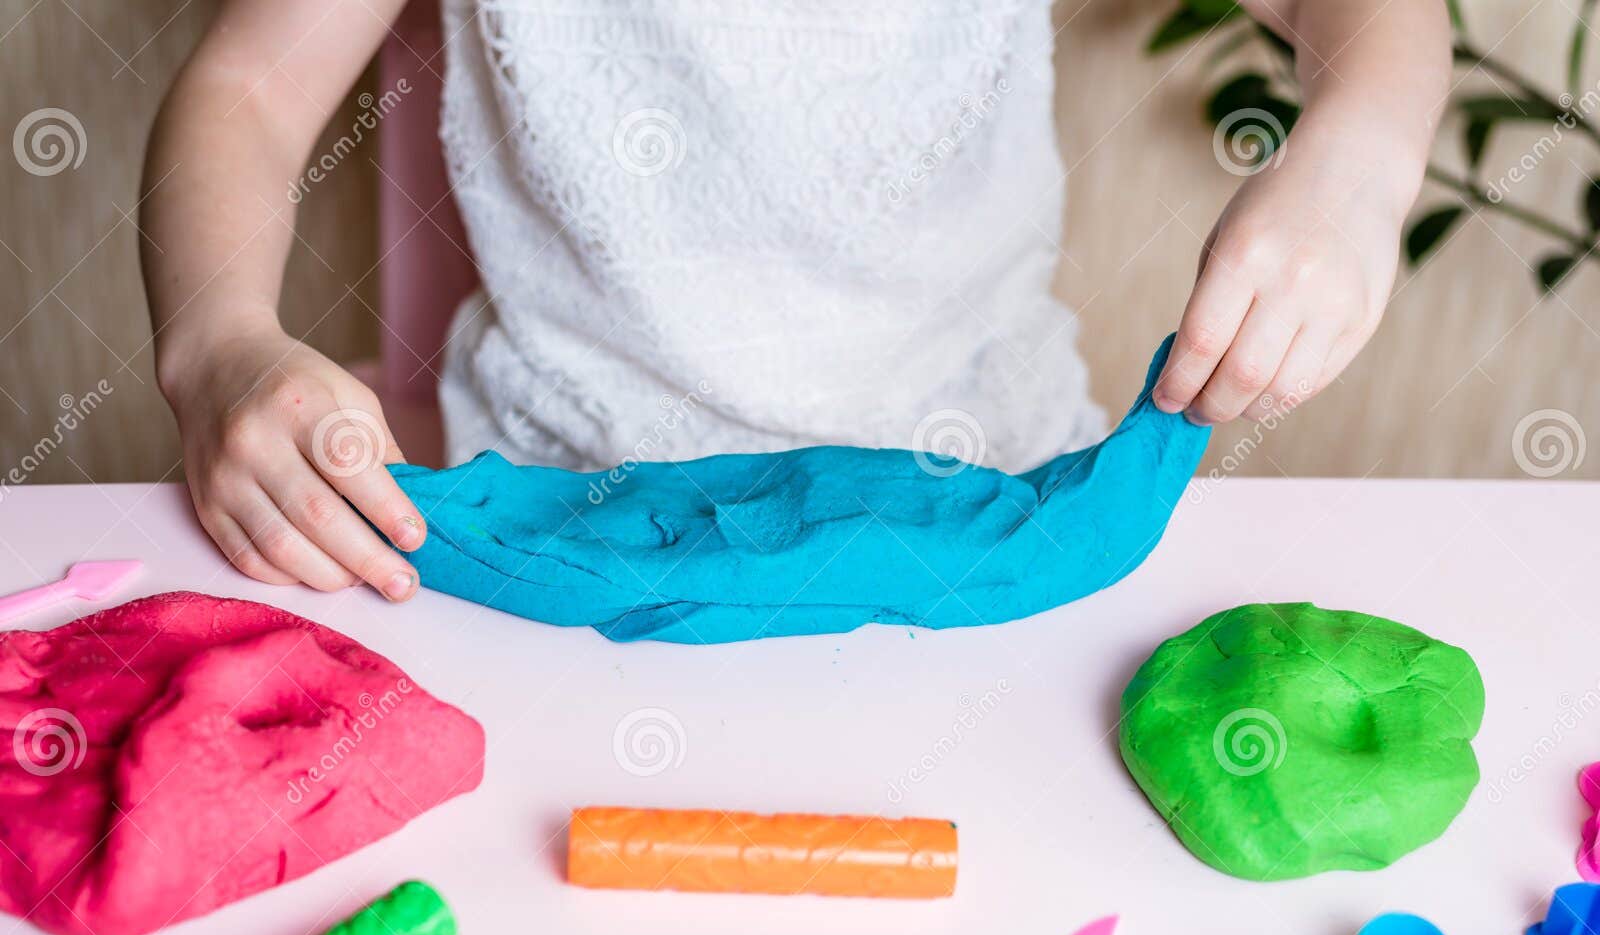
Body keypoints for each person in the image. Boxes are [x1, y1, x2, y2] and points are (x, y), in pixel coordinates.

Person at [141, 0, 1450, 601]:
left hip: (993, 484)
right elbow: (251, 92)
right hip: (571, 510)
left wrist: (1362, 152)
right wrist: (217, 340)